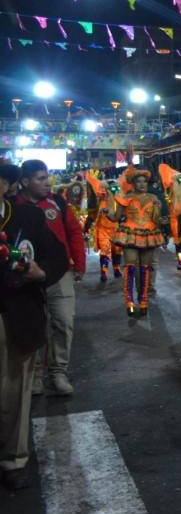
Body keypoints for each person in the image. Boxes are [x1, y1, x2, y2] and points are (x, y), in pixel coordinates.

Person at [0, 163, 67, 490]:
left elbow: (57, 256)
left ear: (7, 185)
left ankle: (13, 459)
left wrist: (42, 274)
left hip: (16, 315)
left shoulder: (26, 217)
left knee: (14, 390)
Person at [17, 160, 84, 396]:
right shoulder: (13, 206)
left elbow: (74, 232)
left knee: (64, 322)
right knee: (34, 326)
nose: (47, 183)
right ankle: (34, 375)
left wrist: (79, 264)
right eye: (40, 179)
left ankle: (58, 373)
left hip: (60, 272)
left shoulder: (57, 202)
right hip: (26, 279)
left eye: (47, 178)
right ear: (25, 182)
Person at [113, 167, 168, 317]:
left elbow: (156, 219)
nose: (142, 184)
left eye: (145, 181)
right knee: (130, 267)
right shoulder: (125, 197)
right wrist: (106, 210)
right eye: (139, 181)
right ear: (133, 183)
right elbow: (116, 218)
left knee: (145, 269)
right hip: (129, 233)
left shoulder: (153, 198)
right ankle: (129, 302)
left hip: (149, 233)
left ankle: (143, 301)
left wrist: (162, 221)